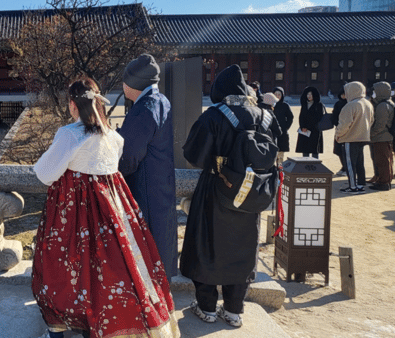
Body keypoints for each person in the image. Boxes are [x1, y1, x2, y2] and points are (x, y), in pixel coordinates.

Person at [32, 78, 179, 338]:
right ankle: (103, 324)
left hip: (73, 213)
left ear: (73, 105)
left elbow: (45, 173)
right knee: (109, 269)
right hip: (113, 213)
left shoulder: (69, 134)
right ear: (99, 104)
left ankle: (61, 325)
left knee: (64, 265)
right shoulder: (114, 137)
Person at [180, 65, 281, 328]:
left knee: (207, 246)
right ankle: (235, 309)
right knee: (244, 247)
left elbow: (194, 156)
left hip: (216, 189)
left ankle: (207, 307)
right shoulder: (265, 115)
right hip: (253, 192)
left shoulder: (214, 115)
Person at [117, 53, 177, 281]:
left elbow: (129, 155)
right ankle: (160, 294)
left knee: (146, 245)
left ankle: (149, 302)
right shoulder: (161, 101)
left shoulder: (144, 109)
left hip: (145, 187)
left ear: (133, 83)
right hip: (160, 183)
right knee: (160, 241)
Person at [336, 81, 374, 193]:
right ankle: (361, 183)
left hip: (350, 138)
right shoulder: (368, 104)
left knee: (350, 164)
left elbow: (344, 125)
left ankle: (353, 186)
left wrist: (338, 135)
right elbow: (371, 121)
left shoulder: (350, 105)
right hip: (363, 137)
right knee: (359, 162)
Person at [369, 82, 395, 191]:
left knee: (382, 161)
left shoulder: (382, 106)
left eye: (375, 91)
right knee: (385, 160)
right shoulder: (388, 103)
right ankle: (384, 180)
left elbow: (380, 124)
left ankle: (384, 183)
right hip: (386, 136)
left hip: (381, 137)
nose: (373, 93)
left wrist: (371, 134)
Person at [295, 86, 324, 158]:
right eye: (308, 94)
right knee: (305, 149)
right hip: (304, 130)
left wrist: (309, 127)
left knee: (315, 150)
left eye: (311, 94)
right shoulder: (304, 104)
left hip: (315, 130)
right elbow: (301, 117)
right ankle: (305, 165)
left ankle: (315, 166)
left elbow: (319, 117)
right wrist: (302, 126)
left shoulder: (319, 105)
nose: (309, 96)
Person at [272, 87, 294, 165]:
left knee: (280, 154)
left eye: (279, 94)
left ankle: (279, 171)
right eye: (276, 94)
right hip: (271, 132)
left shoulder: (285, 105)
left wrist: (286, 127)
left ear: (282, 95)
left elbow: (290, 117)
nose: (277, 96)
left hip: (282, 132)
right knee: (271, 153)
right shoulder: (270, 105)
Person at [331, 86, 348, 175]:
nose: (343, 96)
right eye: (342, 94)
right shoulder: (338, 104)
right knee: (338, 149)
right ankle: (343, 166)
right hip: (339, 128)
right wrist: (336, 123)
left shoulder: (350, 104)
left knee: (346, 150)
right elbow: (334, 115)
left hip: (348, 130)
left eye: (344, 94)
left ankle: (346, 168)